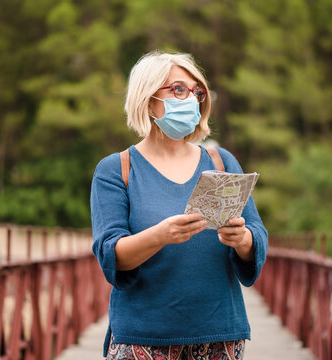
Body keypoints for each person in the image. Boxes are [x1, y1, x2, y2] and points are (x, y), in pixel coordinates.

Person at [90, 50, 268, 360]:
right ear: (148, 98)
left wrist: (243, 240)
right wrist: (161, 235)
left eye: (196, 92)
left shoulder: (221, 162)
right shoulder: (117, 169)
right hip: (141, 338)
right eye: (178, 89)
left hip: (219, 336)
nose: (190, 100)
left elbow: (257, 237)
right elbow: (110, 255)